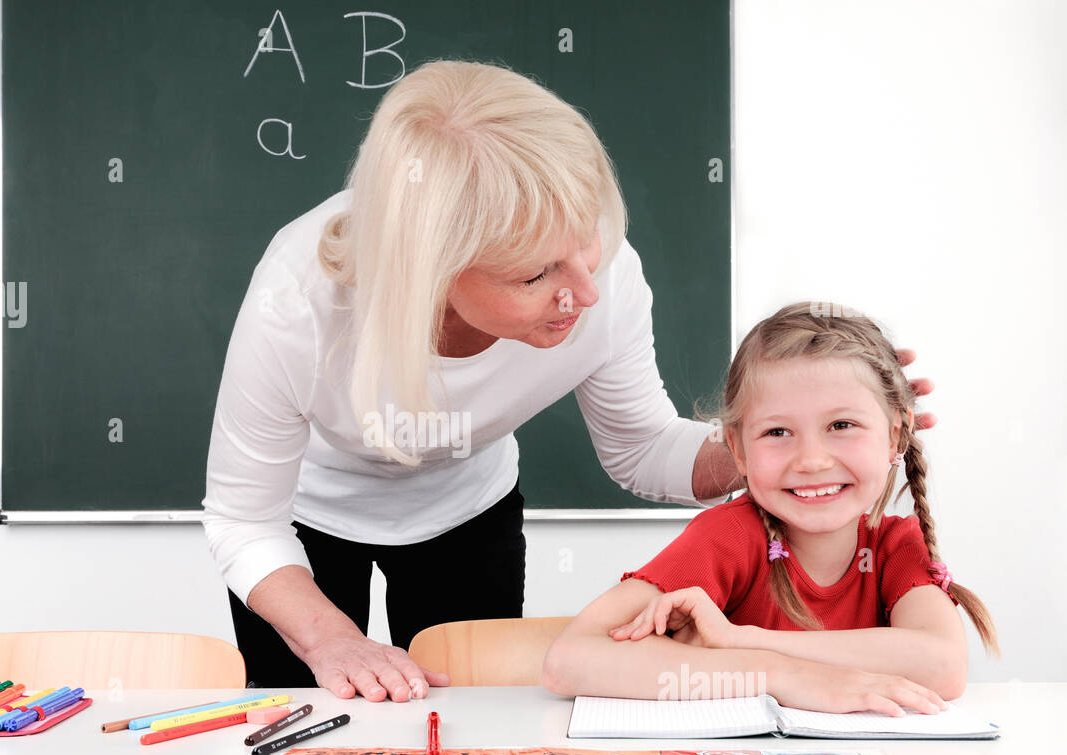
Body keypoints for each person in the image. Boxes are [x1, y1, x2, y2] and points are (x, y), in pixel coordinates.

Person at [201, 60, 933, 703]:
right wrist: (330, 641)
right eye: (533, 274)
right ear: (432, 268)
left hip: (468, 511)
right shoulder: (298, 298)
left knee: (477, 723)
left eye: (584, 244)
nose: (583, 291)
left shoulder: (599, 277)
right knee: (309, 720)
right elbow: (244, 520)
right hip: (302, 521)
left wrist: (785, 439)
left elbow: (643, 449)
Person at [542, 302, 996, 715]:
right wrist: (780, 675)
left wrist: (742, 641)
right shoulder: (729, 537)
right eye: (778, 432)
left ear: (895, 435)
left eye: (842, 424)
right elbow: (570, 660)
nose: (812, 460)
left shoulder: (896, 543)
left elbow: (944, 666)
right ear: (737, 451)